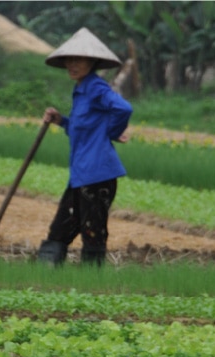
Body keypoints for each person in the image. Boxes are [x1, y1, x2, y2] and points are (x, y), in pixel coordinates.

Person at [37, 27, 133, 267]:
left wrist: (111, 132)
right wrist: (61, 121)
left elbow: (123, 109)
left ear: (92, 62)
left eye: (78, 59)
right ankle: (40, 281)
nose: (72, 64)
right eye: (70, 59)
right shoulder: (80, 90)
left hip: (97, 176)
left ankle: (91, 285)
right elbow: (81, 128)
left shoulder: (94, 87)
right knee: (60, 228)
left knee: (93, 232)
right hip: (81, 175)